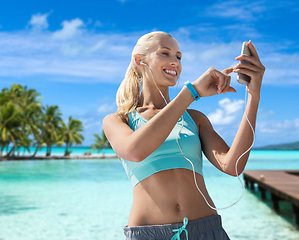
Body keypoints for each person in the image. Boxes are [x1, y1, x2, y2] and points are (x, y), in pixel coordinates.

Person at [103, 31, 265, 240]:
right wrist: (191, 92)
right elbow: (135, 151)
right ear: (139, 60)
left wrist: (254, 95)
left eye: (178, 57)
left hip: (206, 231)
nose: (175, 62)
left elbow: (233, 166)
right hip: (148, 235)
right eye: (165, 53)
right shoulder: (118, 120)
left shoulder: (195, 119)